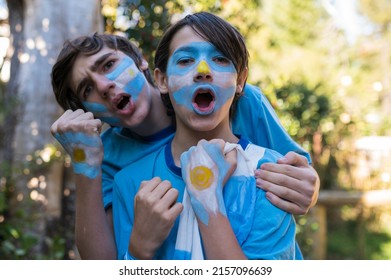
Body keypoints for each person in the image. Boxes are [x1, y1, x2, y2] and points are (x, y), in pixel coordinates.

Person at [50, 31, 318, 259]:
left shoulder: (242, 102)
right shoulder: (105, 158)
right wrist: (84, 162)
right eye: (87, 89)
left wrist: (311, 186)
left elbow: (298, 170)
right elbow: (102, 264)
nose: (104, 85)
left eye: (108, 65)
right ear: (87, 110)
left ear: (142, 63)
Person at [113, 11, 301, 259]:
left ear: (241, 80)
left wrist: (207, 199)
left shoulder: (269, 174)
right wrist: (137, 250)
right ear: (162, 80)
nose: (203, 70)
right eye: (185, 61)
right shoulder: (128, 182)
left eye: (220, 59)